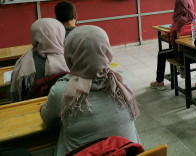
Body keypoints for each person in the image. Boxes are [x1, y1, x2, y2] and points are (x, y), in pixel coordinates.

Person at [40, 25, 140, 156]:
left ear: (69, 54)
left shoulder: (62, 90)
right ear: (107, 51)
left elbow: (49, 121)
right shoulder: (121, 80)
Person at [150, 0, 196, 91]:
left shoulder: (178, 21)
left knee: (162, 54)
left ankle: (159, 82)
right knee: (185, 46)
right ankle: (182, 70)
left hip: (183, 57)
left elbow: (173, 42)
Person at [9, 18, 69, 102]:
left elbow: (17, 95)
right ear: (61, 34)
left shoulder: (23, 63)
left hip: (30, 109)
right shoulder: (71, 59)